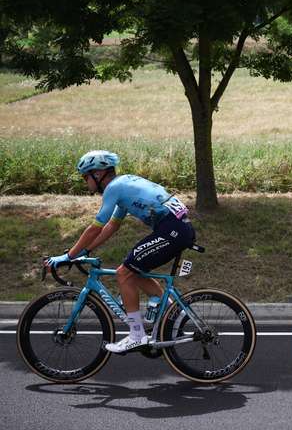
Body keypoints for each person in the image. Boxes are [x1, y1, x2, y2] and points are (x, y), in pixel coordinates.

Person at [44, 150, 195, 353]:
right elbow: (111, 226)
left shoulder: (114, 188)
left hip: (173, 229)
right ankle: (172, 312)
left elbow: (95, 227)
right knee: (132, 270)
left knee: (124, 272)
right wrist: (85, 251)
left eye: (85, 177)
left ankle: (136, 335)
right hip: (176, 227)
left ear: (97, 174)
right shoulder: (124, 186)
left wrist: (68, 256)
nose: (85, 182)